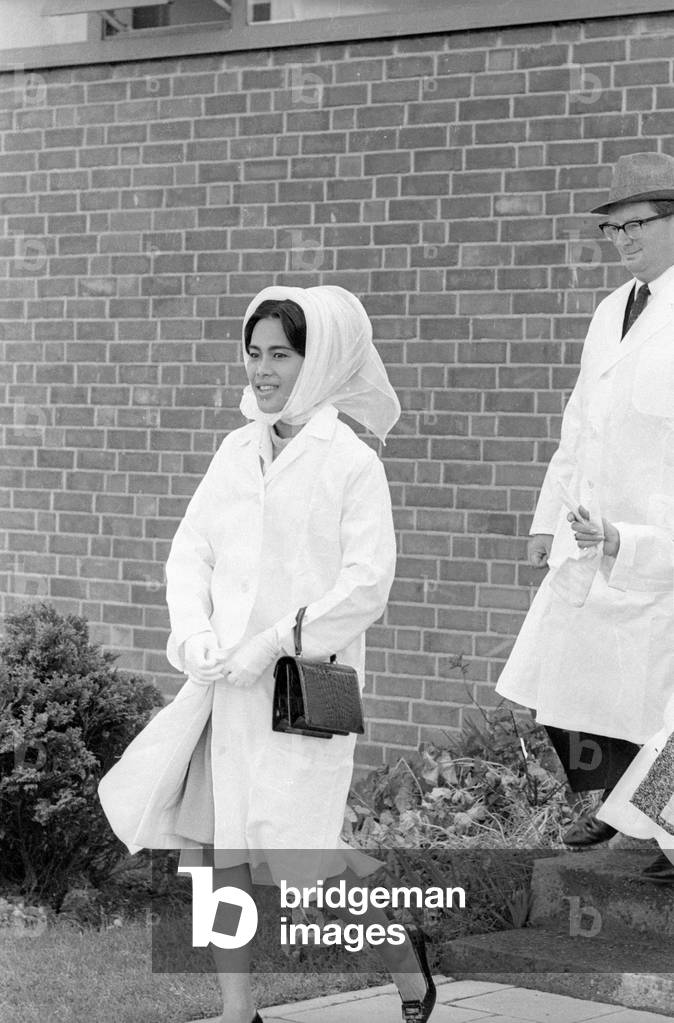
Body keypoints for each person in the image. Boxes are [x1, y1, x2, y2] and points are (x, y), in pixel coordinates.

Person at [98, 285, 437, 1023]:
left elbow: (366, 585)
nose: (262, 370)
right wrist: (194, 632)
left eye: (280, 354)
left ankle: (407, 964)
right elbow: (192, 549)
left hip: (297, 694)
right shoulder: (235, 447)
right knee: (217, 854)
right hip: (224, 691)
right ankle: (237, 1010)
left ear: (319, 361)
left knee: (305, 862)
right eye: (254, 353)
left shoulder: (350, 462)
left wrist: (273, 641)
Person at [496, 152, 674, 872]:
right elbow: (580, 423)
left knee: (657, 710)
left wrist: (635, 540)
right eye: (613, 227)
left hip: (653, 551)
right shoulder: (612, 310)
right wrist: (548, 519)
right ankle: (609, 804)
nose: (624, 239)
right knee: (557, 688)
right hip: (584, 541)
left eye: (638, 223)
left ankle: (662, 831)